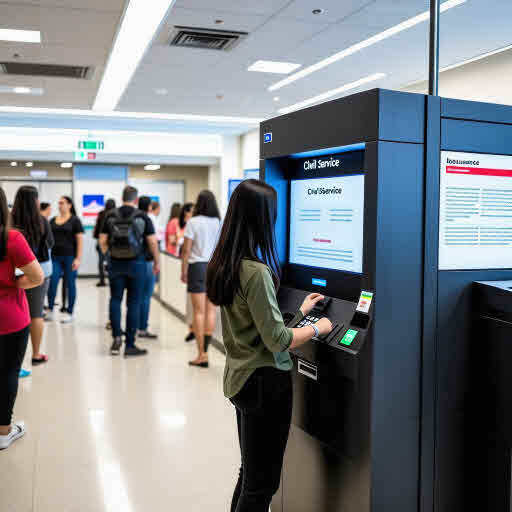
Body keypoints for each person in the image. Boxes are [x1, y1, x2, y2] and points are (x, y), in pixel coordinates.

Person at [206, 179, 333, 511]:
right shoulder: (257, 272)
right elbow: (277, 340)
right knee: (262, 487)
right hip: (265, 383)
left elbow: (255, 327)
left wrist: (300, 313)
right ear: (262, 219)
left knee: (249, 475)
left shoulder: (226, 263)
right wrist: (318, 327)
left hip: (240, 379)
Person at [0, 187, 44, 450]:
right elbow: (37, 276)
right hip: (10, 318)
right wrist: (15, 282)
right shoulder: (12, 239)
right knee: (7, 373)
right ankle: (3, 431)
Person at [99, 186, 160, 357]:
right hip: (137, 264)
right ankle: (130, 345)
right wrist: (156, 261)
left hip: (115, 263)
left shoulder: (110, 215)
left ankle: (116, 338)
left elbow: (102, 241)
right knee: (133, 303)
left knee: (115, 299)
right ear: (136, 199)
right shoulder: (142, 216)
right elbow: (152, 242)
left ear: (122, 197)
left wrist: (108, 256)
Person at [11, 186, 54, 365]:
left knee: (14, 312)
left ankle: (15, 360)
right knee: (36, 314)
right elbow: (50, 244)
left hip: (14, 272)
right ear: (36, 200)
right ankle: (36, 355)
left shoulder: (10, 220)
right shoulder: (42, 221)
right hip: (39, 272)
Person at [181, 190, 221, 367]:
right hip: (214, 268)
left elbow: (186, 250)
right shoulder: (218, 222)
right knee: (211, 311)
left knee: (198, 312)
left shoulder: (193, 222)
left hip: (197, 267)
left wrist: (183, 270)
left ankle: (201, 354)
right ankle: (206, 351)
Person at [47, 196, 84, 323]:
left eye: (62, 203)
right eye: (59, 203)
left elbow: (80, 241)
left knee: (70, 284)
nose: (59, 205)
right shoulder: (53, 220)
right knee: (52, 283)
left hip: (70, 257)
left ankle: (69, 312)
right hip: (55, 257)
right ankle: (50, 309)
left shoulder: (75, 220)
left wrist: (78, 258)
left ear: (69, 205)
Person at [137, 196, 158, 339]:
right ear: (149, 207)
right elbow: (152, 242)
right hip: (145, 262)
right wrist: (157, 261)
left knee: (134, 297)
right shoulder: (147, 219)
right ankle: (142, 329)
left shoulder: (133, 217)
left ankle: (132, 327)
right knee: (145, 296)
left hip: (132, 262)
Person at [93, 199, 116, 287]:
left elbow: (97, 227)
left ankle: (102, 280)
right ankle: (112, 279)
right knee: (112, 261)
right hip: (113, 242)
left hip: (101, 241)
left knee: (101, 262)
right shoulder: (116, 214)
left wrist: (96, 237)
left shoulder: (101, 214)